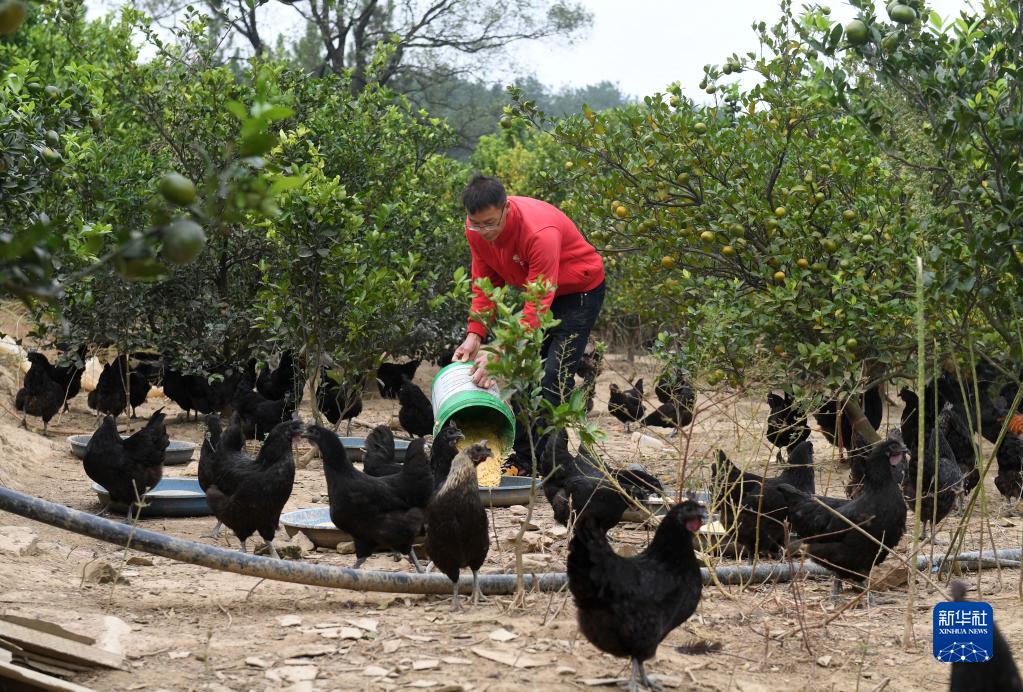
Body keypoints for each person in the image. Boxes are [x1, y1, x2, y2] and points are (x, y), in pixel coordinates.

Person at [452, 175, 606, 474]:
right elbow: (485, 284)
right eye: (476, 222)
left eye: (490, 223)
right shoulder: (475, 231)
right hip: (544, 294)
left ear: (506, 209)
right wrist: (475, 334)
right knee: (523, 374)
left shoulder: (539, 233)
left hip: (579, 292)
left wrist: (500, 352)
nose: (483, 231)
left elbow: (537, 303)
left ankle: (552, 462)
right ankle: (523, 460)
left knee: (552, 377)